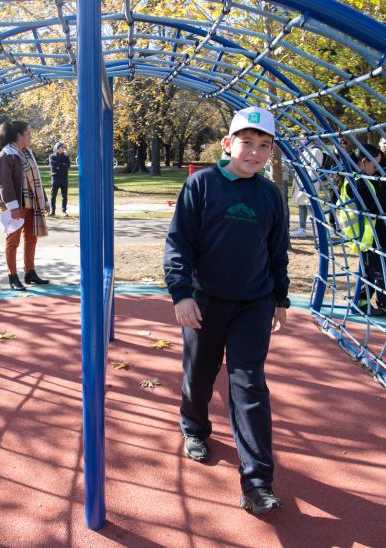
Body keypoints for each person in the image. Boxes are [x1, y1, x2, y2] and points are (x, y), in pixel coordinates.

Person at [163, 106, 289, 515]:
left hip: (254, 303)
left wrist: (281, 299)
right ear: (228, 144)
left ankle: (257, 483)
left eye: (263, 146)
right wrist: (182, 293)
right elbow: (178, 242)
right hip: (205, 301)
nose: (254, 153)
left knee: (249, 385)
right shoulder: (201, 185)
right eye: (246, 143)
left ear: (271, 151)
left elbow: (277, 252)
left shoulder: (270, 194)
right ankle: (195, 427)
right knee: (200, 372)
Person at [342, 144, 386, 318]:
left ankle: (362, 300)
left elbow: (375, 201)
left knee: (369, 271)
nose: (376, 168)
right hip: (370, 237)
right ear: (364, 161)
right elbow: (376, 207)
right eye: (374, 164)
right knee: (385, 272)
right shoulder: (357, 183)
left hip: (374, 235)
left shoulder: (361, 180)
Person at [0, 120, 51, 290]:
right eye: (28, 134)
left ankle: (30, 272)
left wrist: (44, 200)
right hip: (16, 205)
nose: (31, 137)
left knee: (32, 238)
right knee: (13, 241)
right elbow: (5, 184)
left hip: (32, 202)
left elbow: (36, 178)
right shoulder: (5, 155)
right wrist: (13, 206)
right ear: (19, 135)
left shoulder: (26, 153)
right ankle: (12, 276)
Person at [289, 139, 322, 238]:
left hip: (308, 183)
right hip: (301, 183)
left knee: (311, 206)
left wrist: (308, 182)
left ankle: (321, 229)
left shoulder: (316, 151)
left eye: (303, 138)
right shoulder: (305, 151)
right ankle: (302, 229)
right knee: (302, 205)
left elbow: (315, 169)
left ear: (309, 139)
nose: (300, 141)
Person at [48, 142, 71, 216]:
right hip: (55, 178)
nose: (63, 149)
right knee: (53, 195)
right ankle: (52, 211)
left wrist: (59, 166)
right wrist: (62, 165)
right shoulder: (52, 156)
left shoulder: (66, 157)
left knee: (64, 196)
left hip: (64, 178)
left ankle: (64, 211)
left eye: (63, 147)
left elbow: (67, 166)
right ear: (57, 149)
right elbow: (53, 164)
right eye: (61, 147)